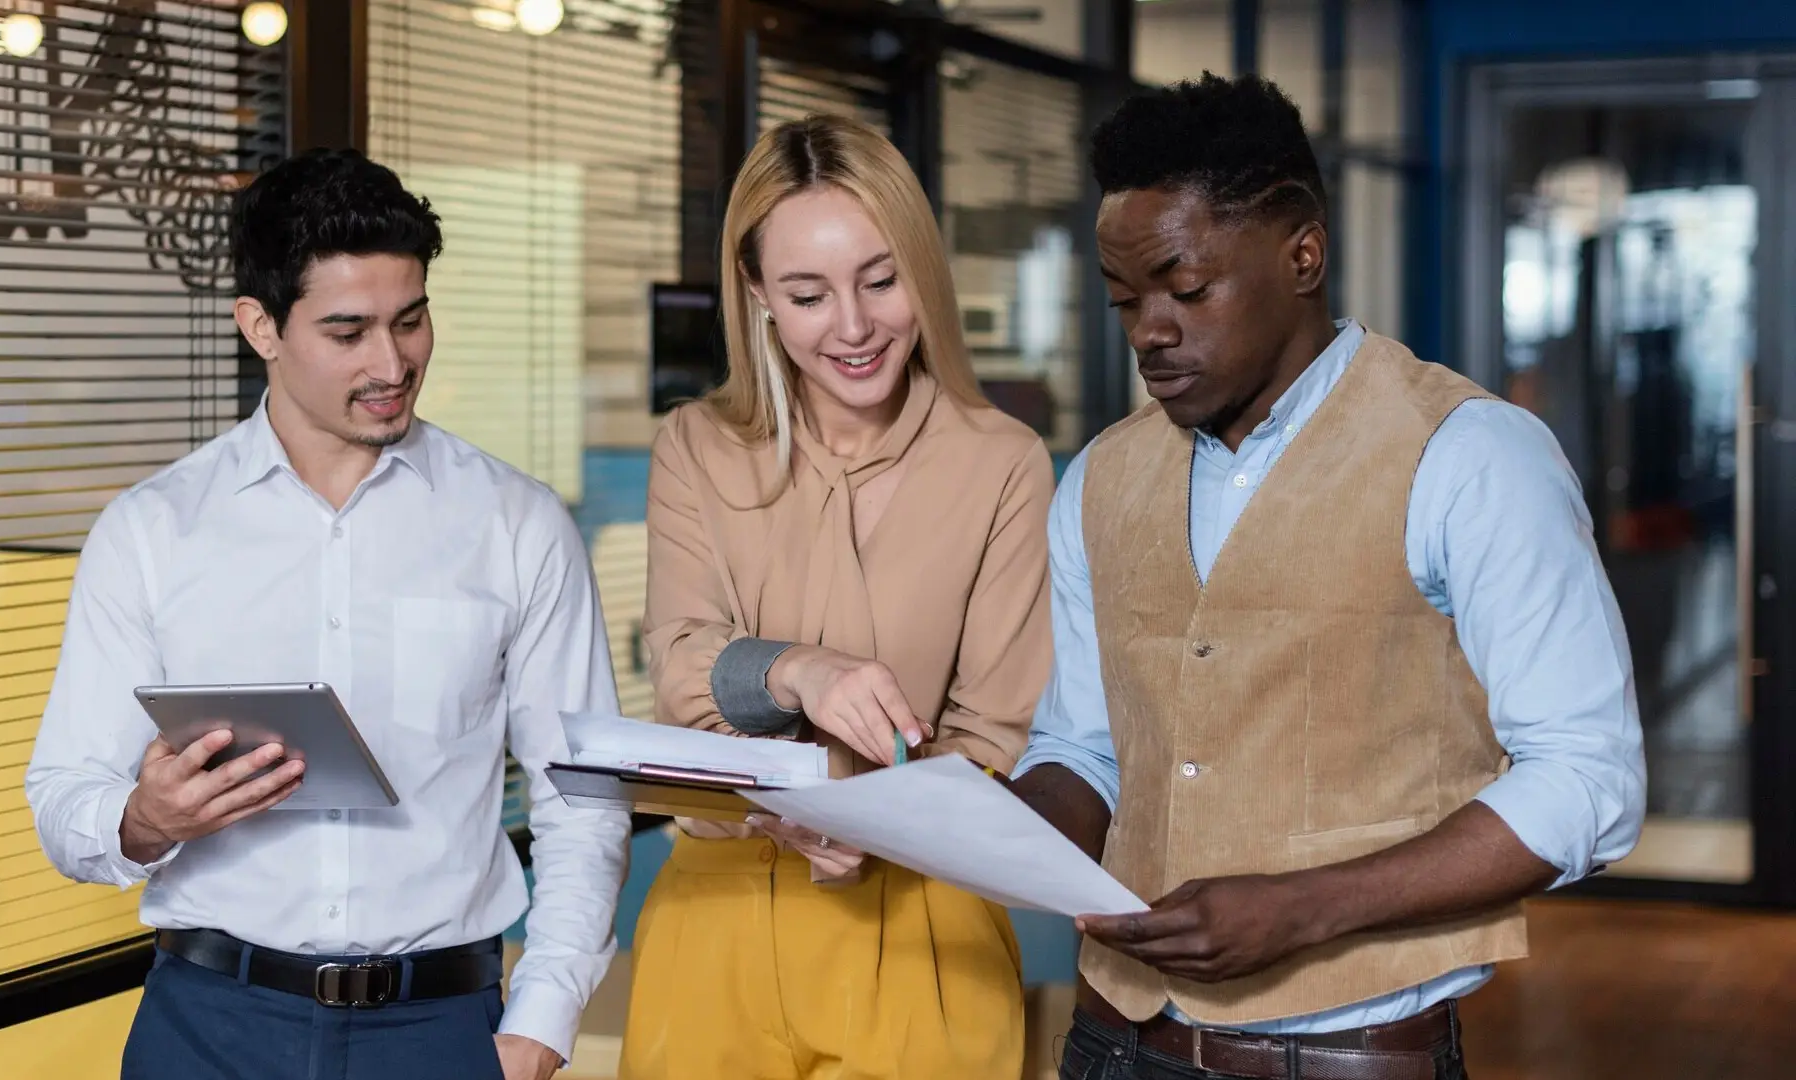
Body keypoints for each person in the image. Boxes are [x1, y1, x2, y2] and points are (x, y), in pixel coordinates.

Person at [1010, 75, 1647, 1080]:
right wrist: (965, 828)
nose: (1149, 331)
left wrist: (1305, 906)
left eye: (1186, 289)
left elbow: (1589, 782)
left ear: (1302, 253)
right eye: (1125, 300)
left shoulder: (1472, 456)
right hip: (1109, 1044)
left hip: (1347, 1058)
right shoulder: (1098, 478)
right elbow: (1083, 748)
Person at [24, 149, 631, 1080]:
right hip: (207, 1030)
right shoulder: (151, 531)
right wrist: (145, 820)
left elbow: (580, 802)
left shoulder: (518, 524)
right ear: (260, 327)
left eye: (411, 320)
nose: (392, 363)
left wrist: (542, 1025)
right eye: (348, 331)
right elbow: (66, 794)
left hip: (441, 1033)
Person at [619, 114, 1054, 1080]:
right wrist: (796, 672)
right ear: (759, 295)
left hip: (924, 923)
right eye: (809, 294)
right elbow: (684, 678)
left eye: (881, 280)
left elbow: (995, 741)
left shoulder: (1004, 465)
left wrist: (857, 814)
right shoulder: (695, 447)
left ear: (923, 270)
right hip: (716, 920)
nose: (853, 328)